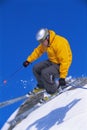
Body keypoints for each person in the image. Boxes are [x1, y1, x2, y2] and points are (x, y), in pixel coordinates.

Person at [23, 28, 72, 94]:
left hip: (60, 65)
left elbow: (65, 61)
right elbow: (38, 51)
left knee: (45, 73)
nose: (41, 43)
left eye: (42, 41)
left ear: (47, 37)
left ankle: (52, 91)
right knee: (36, 68)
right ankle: (42, 86)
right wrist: (28, 60)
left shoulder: (60, 43)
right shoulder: (46, 43)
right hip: (52, 61)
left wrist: (62, 77)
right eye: (40, 42)